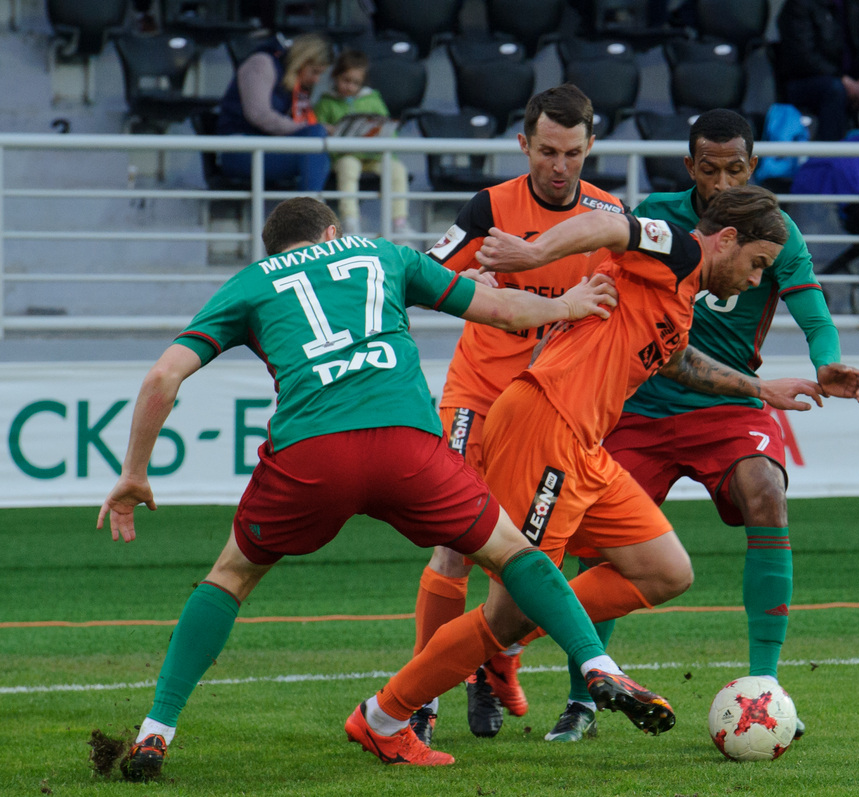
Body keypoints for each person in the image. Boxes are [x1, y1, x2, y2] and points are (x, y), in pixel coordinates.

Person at [97, 196, 673, 777]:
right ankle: (596, 663)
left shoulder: (251, 283)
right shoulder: (383, 255)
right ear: (332, 232)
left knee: (231, 576)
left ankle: (155, 732)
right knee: (513, 552)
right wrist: (569, 304)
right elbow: (500, 310)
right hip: (406, 445)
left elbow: (163, 376)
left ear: (272, 249)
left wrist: (133, 474)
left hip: (311, 455)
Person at [370, 185, 827, 756]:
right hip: (544, 424)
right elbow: (609, 226)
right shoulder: (680, 249)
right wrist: (534, 255)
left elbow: (675, 358)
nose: (758, 280)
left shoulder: (680, 293)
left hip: (583, 444)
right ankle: (386, 713)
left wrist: (759, 388)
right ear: (727, 239)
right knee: (506, 614)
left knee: (665, 571)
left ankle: (522, 639)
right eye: (757, 263)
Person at [542, 109, 859, 742]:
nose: (722, 182)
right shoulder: (658, 216)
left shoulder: (774, 231)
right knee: (598, 540)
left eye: (736, 169)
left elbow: (812, 310)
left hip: (728, 406)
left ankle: (765, 685)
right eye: (710, 169)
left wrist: (827, 362)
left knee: (766, 493)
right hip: (640, 405)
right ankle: (584, 696)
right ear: (690, 166)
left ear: (754, 166)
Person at [408, 84, 628, 743]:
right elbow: (420, 273)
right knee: (455, 545)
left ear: (590, 147)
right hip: (477, 398)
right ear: (523, 144)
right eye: (546, 151)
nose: (559, 166)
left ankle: (494, 663)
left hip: (549, 410)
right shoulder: (490, 207)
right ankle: (421, 700)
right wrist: (464, 285)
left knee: (534, 556)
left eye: (572, 153)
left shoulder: (610, 216)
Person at [215, 32, 333, 193]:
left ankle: (309, 205)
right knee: (315, 137)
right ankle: (310, 206)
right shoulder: (262, 63)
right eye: (314, 71)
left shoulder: (291, 80)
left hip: (268, 147)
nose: (316, 80)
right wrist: (306, 128)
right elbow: (259, 115)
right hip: (239, 149)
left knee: (318, 146)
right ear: (302, 60)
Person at [314, 48, 411, 235]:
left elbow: (388, 131)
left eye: (356, 83)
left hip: (374, 157)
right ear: (335, 76)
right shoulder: (325, 103)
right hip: (344, 157)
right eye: (346, 80)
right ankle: (350, 222)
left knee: (398, 170)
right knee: (348, 167)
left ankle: (399, 224)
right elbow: (317, 133)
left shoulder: (373, 100)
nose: (350, 87)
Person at [775, 0, 859, 142]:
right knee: (835, 90)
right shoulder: (799, 5)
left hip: (853, 81)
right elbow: (803, 57)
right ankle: (830, 152)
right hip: (804, 82)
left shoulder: (856, 4)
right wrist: (843, 79)